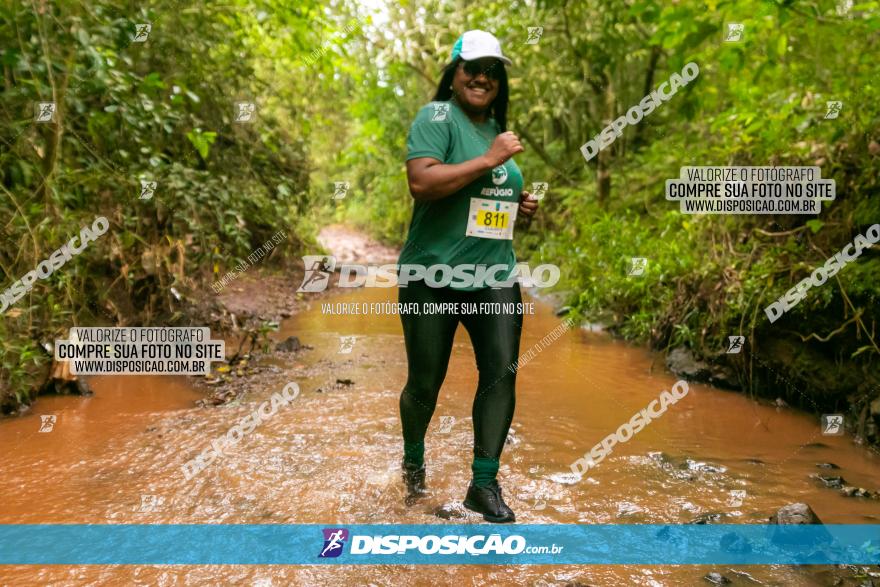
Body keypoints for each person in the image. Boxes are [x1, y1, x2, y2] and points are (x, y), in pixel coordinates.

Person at [397, 30, 538, 523]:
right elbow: (422, 182)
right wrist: (489, 160)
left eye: (493, 70)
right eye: (472, 68)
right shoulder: (435, 117)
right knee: (425, 384)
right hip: (430, 273)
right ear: (453, 73)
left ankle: (483, 483)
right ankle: (414, 466)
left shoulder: (496, 128)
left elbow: (482, 193)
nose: (482, 77)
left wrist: (515, 203)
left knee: (501, 372)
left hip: (494, 272)